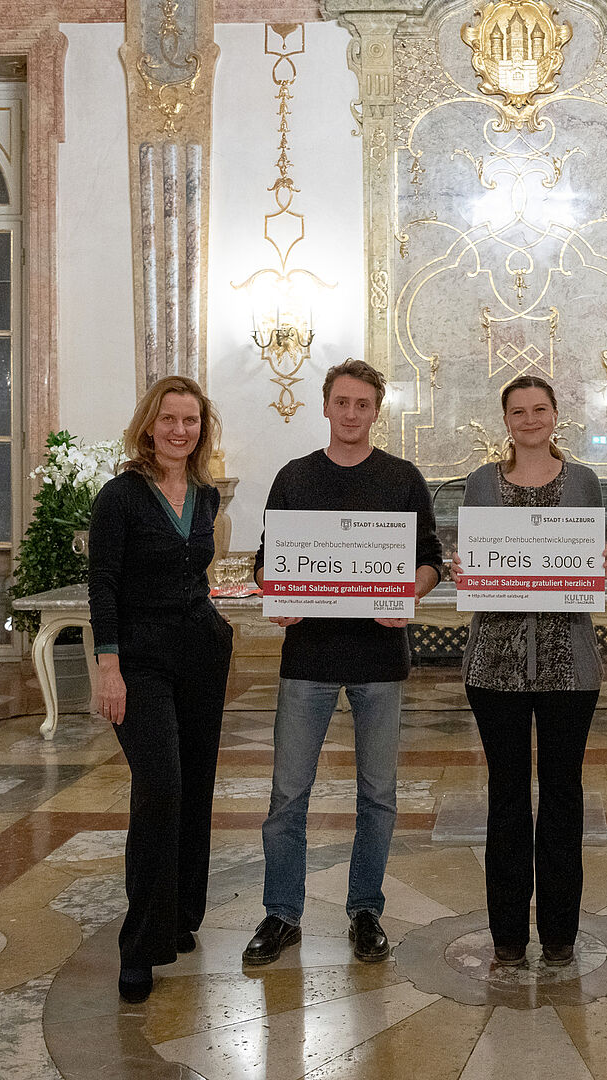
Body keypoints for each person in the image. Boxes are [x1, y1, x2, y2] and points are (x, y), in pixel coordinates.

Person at [244, 359, 444, 966]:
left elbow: (431, 558)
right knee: (287, 796)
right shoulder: (295, 477)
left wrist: (410, 591)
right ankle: (282, 913)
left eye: (363, 405)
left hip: (380, 659)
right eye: (343, 403)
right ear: (325, 406)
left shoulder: (403, 478)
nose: (352, 414)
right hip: (307, 657)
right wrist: (272, 592)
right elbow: (265, 559)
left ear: (375, 411)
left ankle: (365, 909)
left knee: (378, 796)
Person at [88, 375, 233, 1004]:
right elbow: (104, 583)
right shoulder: (119, 497)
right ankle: (140, 944)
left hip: (201, 652)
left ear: (203, 429)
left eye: (192, 421)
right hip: (139, 663)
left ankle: (181, 917)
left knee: (196, 786)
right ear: (149, 424)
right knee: (161, 786)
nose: (180, 431)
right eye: (170, 419)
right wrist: (108, 665)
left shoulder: (205, 495)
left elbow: (194, 572)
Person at [452, 375, 603, 967]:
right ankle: (509, 936)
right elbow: (475, 556)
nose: (531, 419)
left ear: (555, 416)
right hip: (495, 665)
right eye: (519, 411)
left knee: (564, 796)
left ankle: (561, 933)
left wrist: (594, 562)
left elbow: (590, 559)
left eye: (540, 409)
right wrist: (473, 565)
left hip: (570, 664)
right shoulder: (481, 483)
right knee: (507, 799)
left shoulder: (584, 482)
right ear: (506, 420)